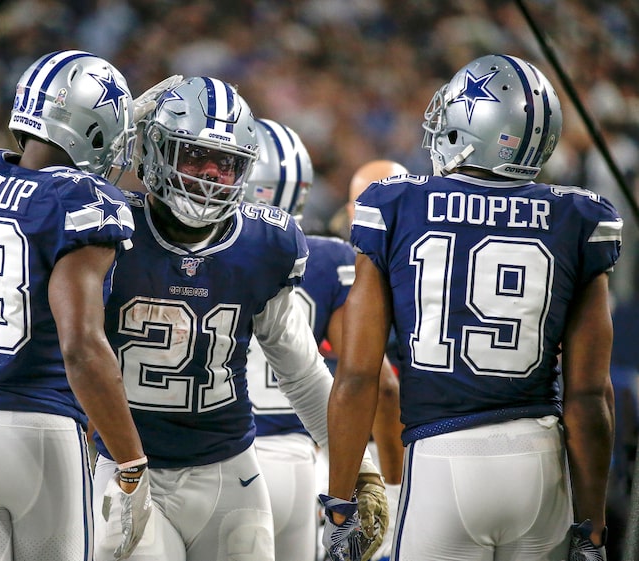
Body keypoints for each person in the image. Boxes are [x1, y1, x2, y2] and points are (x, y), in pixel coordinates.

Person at [322, 53, 621, 560]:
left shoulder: (394, 203)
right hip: (539, 464)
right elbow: (590, 397)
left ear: (473, 122)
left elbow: (357, 376)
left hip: (443, 460)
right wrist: (591, 526)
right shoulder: (580, 217)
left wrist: (340, 506)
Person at [87, 76, 387, 561]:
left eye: (225, 164)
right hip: (130, 470)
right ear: (156, 150)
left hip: (230, 473)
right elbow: (57, 340)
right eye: (194, 157)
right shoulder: (109, 225)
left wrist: (363, 468)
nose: (209, 175)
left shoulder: (263, 244)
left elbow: (302, 371)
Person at [0, 50, 150, 561]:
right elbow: (81, 347)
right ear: (93, 131)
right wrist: (131, 462)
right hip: (41, 428)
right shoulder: (83, 202)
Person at [243, 119, 402, 561]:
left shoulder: (192, 256)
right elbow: (377, 382)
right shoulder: (327, 256)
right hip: (297, 462)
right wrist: (390, 483)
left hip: (219, 454)